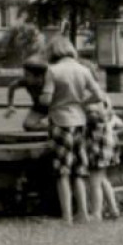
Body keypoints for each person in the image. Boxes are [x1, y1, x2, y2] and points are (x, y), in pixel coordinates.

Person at [37, 34, 107, 223]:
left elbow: (46, 99)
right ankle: (83, 213)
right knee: (79, 169)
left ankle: (67, 216)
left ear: (53, 51)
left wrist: (42, 98)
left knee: (62, 171)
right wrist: (81, 102)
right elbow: (99, 95)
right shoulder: (83, 69)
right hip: (80, 121)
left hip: (60, 121)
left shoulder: (53, 71)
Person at [85, 97, 121, 221]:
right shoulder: (108, 108)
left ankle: (96, 213)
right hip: (107, 149)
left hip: (97, 149)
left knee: (94, 183)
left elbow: (92, 116)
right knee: (103, 180)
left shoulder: (96, 104)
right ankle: (113, 209)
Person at [3, 56, 50, 132]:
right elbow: (12, 87)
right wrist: (10, 105)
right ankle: (49, 127)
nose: (24, 77)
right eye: (24, 74)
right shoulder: (25, 81)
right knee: (28, 125)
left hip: (54, 107)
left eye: (27, 75)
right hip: (39, 107)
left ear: (39, 77)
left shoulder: (49, 82)